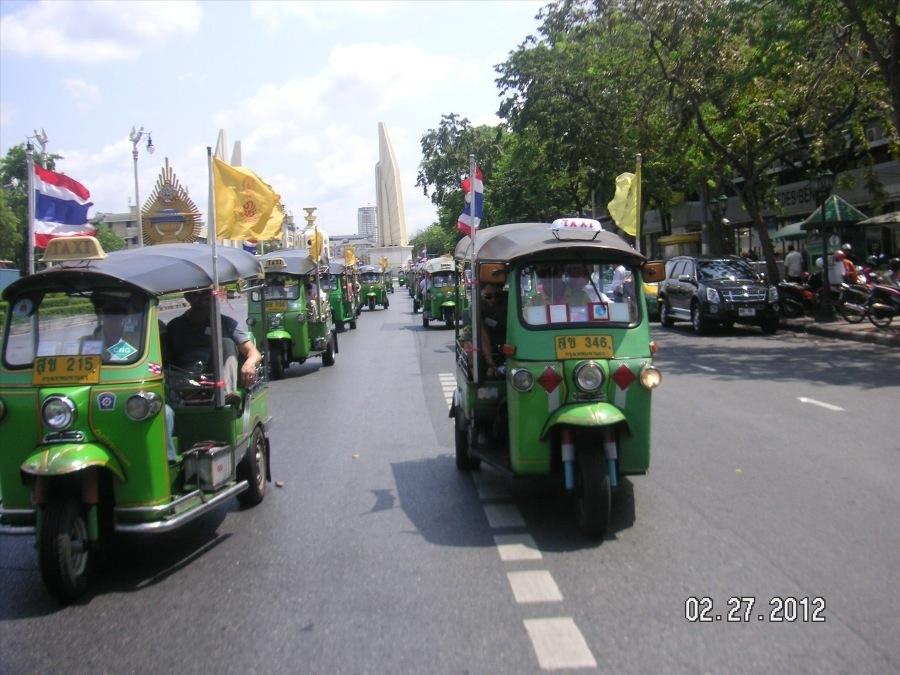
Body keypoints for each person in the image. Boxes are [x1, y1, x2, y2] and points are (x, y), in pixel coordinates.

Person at [166, 289, 262, 402]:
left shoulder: (227, 323)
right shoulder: (174, 326)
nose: (203, 297)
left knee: (226, 342)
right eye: (197, 293)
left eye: (207, 292)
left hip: (216, 375)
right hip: (183, 378)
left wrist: (250, 363)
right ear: (188, 297)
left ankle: (227, 394)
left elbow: (254, 353)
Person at [479, 282, 507, 379]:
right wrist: (491, 364)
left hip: (507, 339)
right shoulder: (477, 307)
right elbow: (483, 336)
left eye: (497, 295)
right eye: (488, 296)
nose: (493, 299)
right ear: (481, 293)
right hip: (487, 341)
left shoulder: (510, 302)